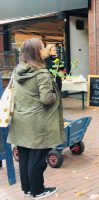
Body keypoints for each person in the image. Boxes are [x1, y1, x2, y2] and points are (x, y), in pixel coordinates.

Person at [7, 38, 65, 199]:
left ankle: (27, 189)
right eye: (42, 48)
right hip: (38, 122)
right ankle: (38, 190)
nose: (45, 49)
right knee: (37, 159)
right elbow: (47, 99)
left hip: (21, 120)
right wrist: (56, 95)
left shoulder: (18, 71)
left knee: (24, 156)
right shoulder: (41, 74)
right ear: (36, 52)